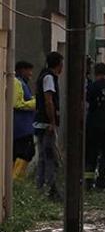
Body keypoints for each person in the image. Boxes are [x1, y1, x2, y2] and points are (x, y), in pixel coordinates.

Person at [33, 52, 63, 200]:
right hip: (46, 124)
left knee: (44, 157)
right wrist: (52, 122)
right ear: (58, 64)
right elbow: (49, 101)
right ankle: (50, 189)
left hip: (41, 122)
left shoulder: (43, 76)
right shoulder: (49, 78)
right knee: (49, 156)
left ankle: (41, 188)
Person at [12, 61, 36, 179]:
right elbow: (17, 103)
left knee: (22, 153)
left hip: (23, 127)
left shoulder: (22, 83)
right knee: (26, 152)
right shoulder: (17, 82)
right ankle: (15, 179)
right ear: (21, 70)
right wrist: (35, 103)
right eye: (29, 71)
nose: (30, 74)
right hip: (21, 127)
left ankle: (14, 179)